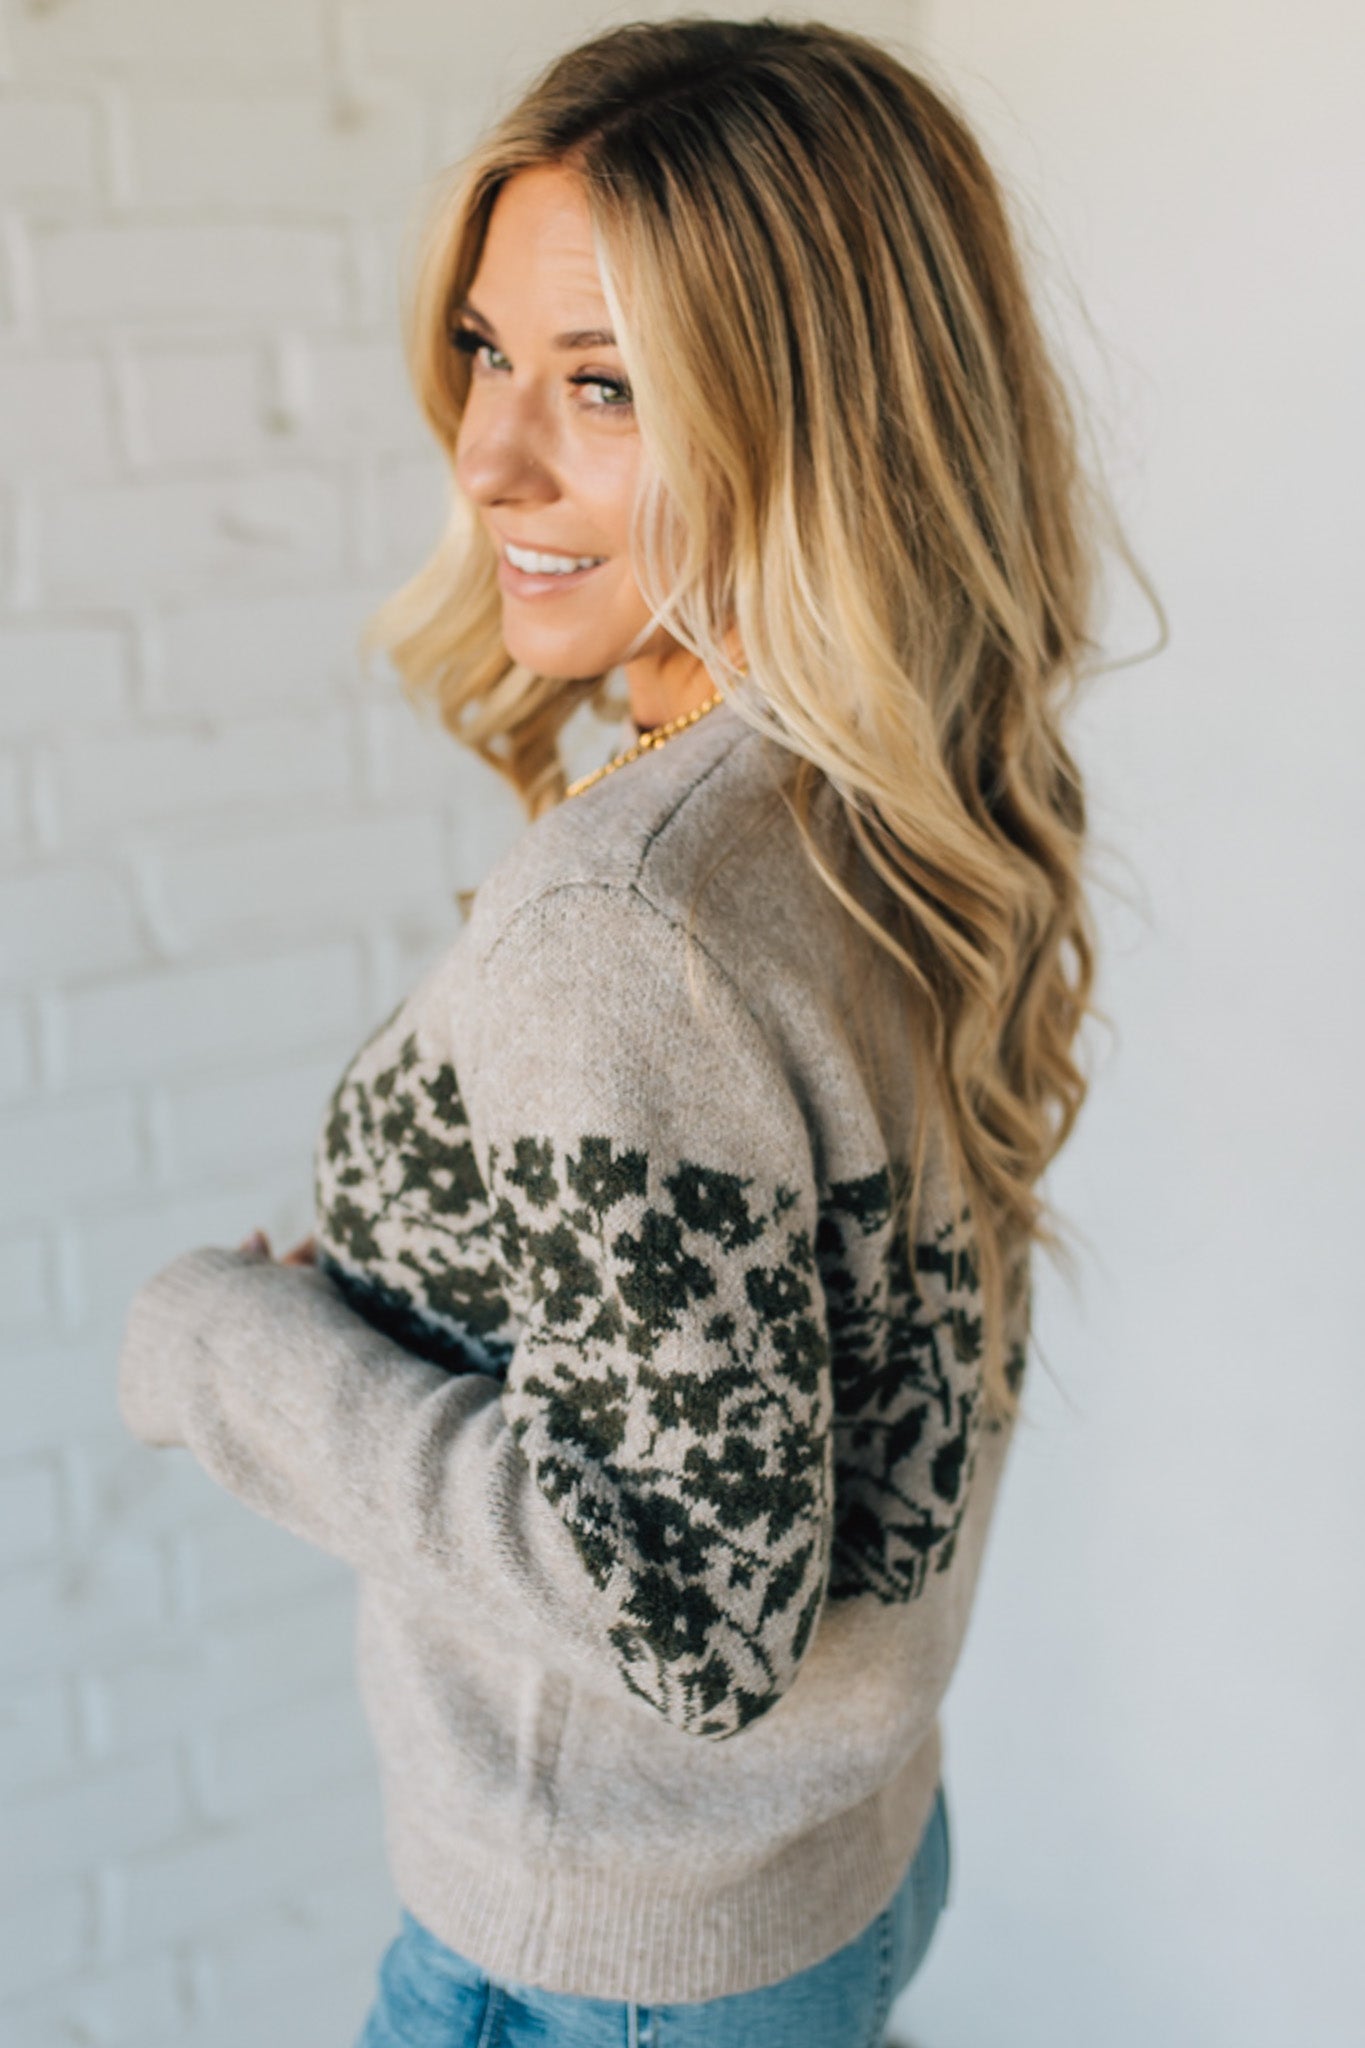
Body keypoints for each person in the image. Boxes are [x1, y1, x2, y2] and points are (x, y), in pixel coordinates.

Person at [118, 16, 1152, 2045]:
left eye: (603, 385)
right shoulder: (884, 786)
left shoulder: (622, 917)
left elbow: (686, 1605)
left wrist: (230, 1354)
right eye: (491, 352)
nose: (488, 451)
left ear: (827, 420)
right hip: (828, 1869)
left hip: (600, 1959)